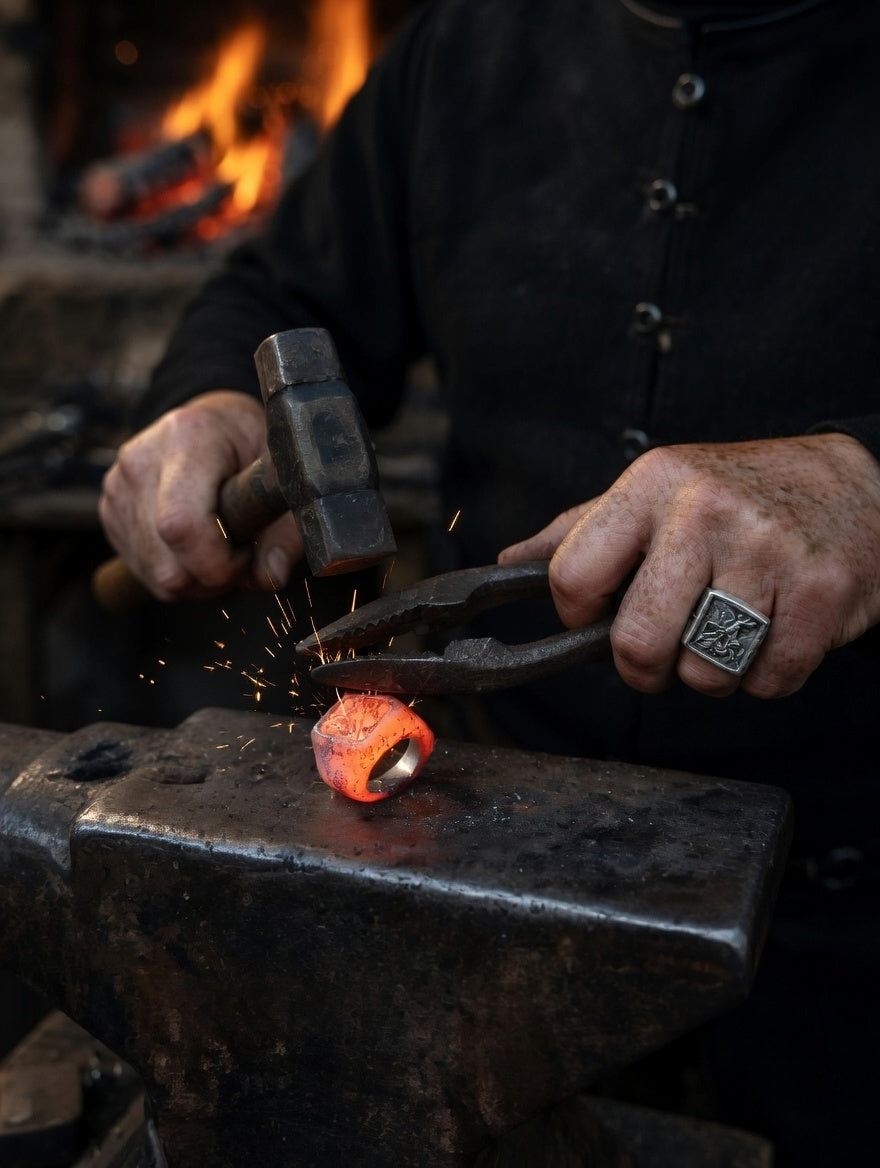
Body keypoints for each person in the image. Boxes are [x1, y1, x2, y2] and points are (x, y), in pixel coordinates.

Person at [98, 1, 880, 1162]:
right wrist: (216, 399)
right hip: (483, 838)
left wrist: (867, 478)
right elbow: (277, 297)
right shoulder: (465, 44)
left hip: (854, 903)